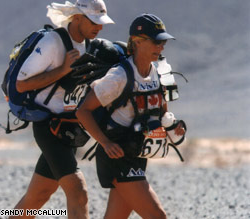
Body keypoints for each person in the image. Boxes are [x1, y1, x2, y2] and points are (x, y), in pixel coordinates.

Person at [10, 0, 114, 218]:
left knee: (38, 195)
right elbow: (22, 84)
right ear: (77, 17)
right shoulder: (51, 43)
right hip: (48, 125)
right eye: (94, 21)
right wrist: (63, 69)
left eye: (102, 22)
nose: (100, 27)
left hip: (69, 128)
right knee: (79, 192)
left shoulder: (88, 44)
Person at [76, 13, 185, 218]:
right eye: (156, 42)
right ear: (136, 41)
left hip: (138, 154)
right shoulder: (119, 76)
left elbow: (163, 113)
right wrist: (105, 142)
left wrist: (172, 127)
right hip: (118, 156)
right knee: (157, 215)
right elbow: (82, 110)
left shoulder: (160, 73)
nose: (161, 47)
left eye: (163, 42)